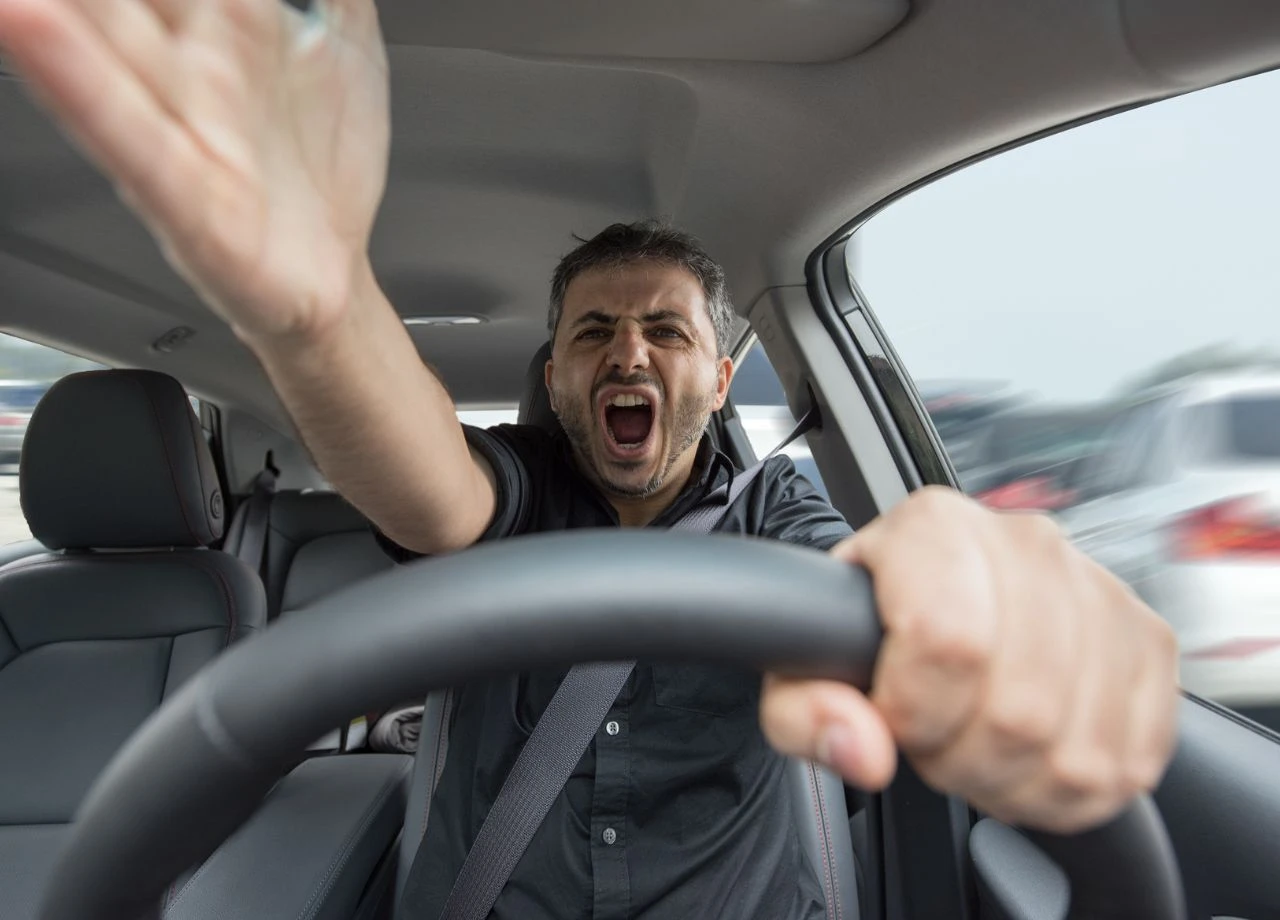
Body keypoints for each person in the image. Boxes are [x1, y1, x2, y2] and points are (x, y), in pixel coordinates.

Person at [0, 2, 1179, 918]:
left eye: (665, 330)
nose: (629, 352)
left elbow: (865, 573)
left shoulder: (775, 503)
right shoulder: (516, 488)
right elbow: (428, 481)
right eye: (592, 334)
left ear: (718, 377)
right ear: (556, 378)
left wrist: (966, 586)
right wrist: (318, 313)